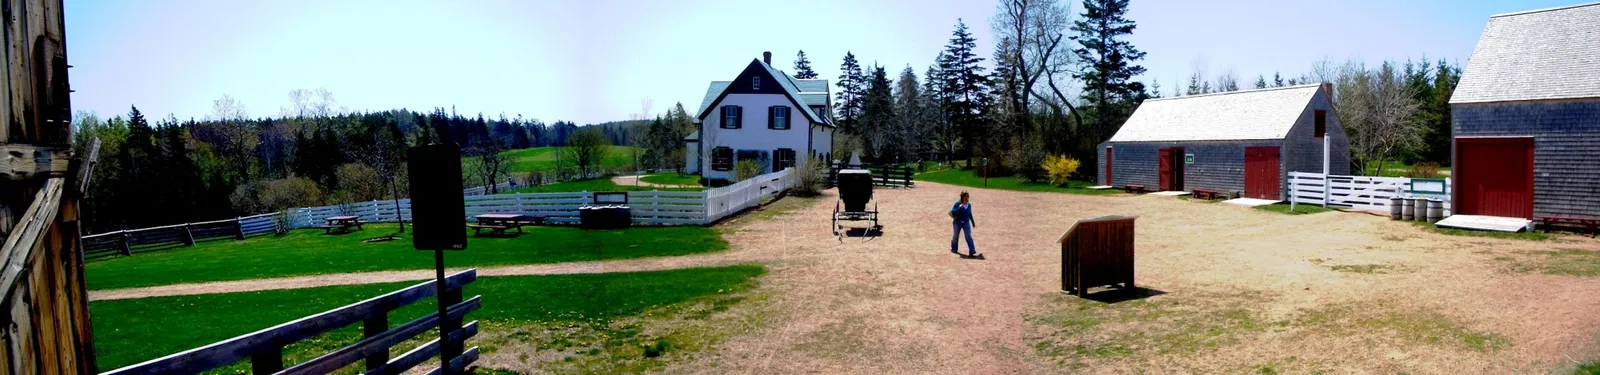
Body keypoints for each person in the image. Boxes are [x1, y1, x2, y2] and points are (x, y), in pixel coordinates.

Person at [949, 191, 980, 257]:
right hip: (957, 222)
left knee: (968, 236)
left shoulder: (969, 205)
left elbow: (970, 214)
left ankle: (972, 251)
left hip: (966, 222)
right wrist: (959, 208)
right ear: (962, 197)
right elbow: (952, 212)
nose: (966, 198)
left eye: (967, 197)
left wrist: (973, 222)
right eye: (965, 196)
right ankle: (954, 249)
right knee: (955, 236)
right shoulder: (957, 203)